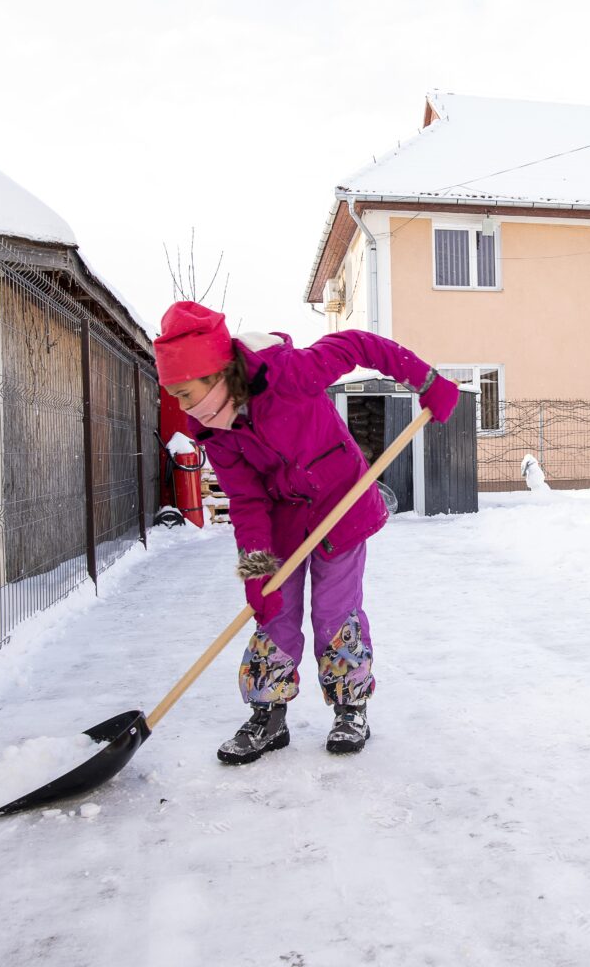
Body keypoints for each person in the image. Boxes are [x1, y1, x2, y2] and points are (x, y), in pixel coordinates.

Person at [153, 301, 459, 764]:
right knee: (273, 611)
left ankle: (350, 708)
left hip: (342, 506)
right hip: (283, 520)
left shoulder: (289, 373)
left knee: (335, 611)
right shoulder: (216, 432)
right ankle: (268, 714)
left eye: (184, 391)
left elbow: (359, 344)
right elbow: (246, 502)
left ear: (215, 374)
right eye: (173, 394)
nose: (181, 406)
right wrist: (257, 573)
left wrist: (426, 380)